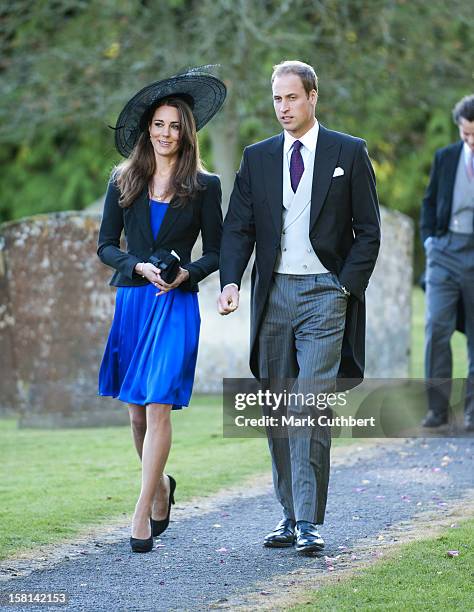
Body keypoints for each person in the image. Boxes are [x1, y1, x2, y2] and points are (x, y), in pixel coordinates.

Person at [218, 60, 380, 554]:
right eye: (276, 99)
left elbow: (368, 231)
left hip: (324, 297)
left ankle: (309, 521)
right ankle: (289, 517)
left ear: (313, 97)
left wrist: (343, 288)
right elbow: (238, 227)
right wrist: (230, 281)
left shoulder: (348, 153)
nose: (283, 108)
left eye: (291, 98)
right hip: (273, 295)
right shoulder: (258, 157)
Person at [97, 69, 226, 552]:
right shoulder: (123, 179)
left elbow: (216, 252)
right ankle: (162, 487)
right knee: (135, 416)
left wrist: (182, 274)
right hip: (132, 302)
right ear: (147, 129)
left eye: (174, 125)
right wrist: (137, 267)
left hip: (175, 305)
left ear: (186, 131)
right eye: (158, 124)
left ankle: (139, 511)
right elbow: (106, 246)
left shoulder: (205, 186)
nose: (166, 133)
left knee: (157, 407)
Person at [420, 94, 474, 431]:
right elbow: (428, 203)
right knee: (436, 327)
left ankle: (472, 413)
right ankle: (437, 410)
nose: (470, 140)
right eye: (466, 134)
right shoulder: (446, 158)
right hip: (444, 252)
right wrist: (429, 242)